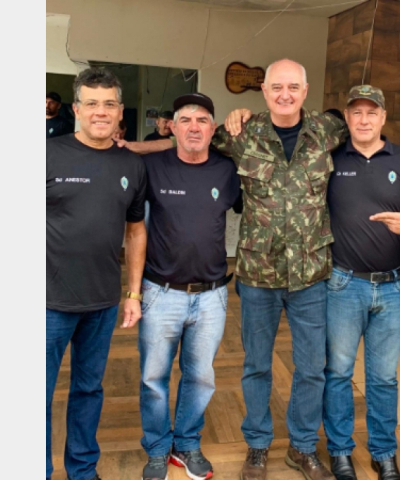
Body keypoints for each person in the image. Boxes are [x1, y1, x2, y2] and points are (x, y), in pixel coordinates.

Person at [118, 58, 348, 480]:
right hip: (258, 275)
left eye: (293, 87)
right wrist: (131, 148)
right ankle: (257, 445)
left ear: (305, 89)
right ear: (264, 90)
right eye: (276, 87)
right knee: (256, 365)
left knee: (312, 368)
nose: (284, 94)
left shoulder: (328, 130)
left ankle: (302, 447)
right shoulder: (242, 133)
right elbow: (187, 142)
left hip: (311, 275)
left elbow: (369, 144)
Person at [323, 85, 400, 480]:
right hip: (343, 284)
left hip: (393, 287)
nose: (364, 119)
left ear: (383, 117)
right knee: (338, 372)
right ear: (347, 118)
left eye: (372, 112)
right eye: (356, 112)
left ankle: (384, 453)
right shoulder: (331, 159)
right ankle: (340, 451)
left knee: (384, 377)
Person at [46, 68, 147, 480]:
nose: (100, 112)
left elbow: (136, 230)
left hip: (102, 303)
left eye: (108, 104)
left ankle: (83, 470)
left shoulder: (132, 165)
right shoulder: (46, 153)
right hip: (46, 302)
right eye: (91, 103)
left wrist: (134, 293)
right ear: (76, 109)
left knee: (88, 390)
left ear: (120, 111)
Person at [137, 93, 242, 480]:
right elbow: (132, 225)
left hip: (212, 295)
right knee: (154, 378)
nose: (194, 127)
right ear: (172, 128)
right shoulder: (151, 167)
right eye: (185, 120)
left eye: (202, 121)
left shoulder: (227, 171)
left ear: (213, 130)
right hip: (160, 292)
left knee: (200, 376)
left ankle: (186, 444)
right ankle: (157, 448)